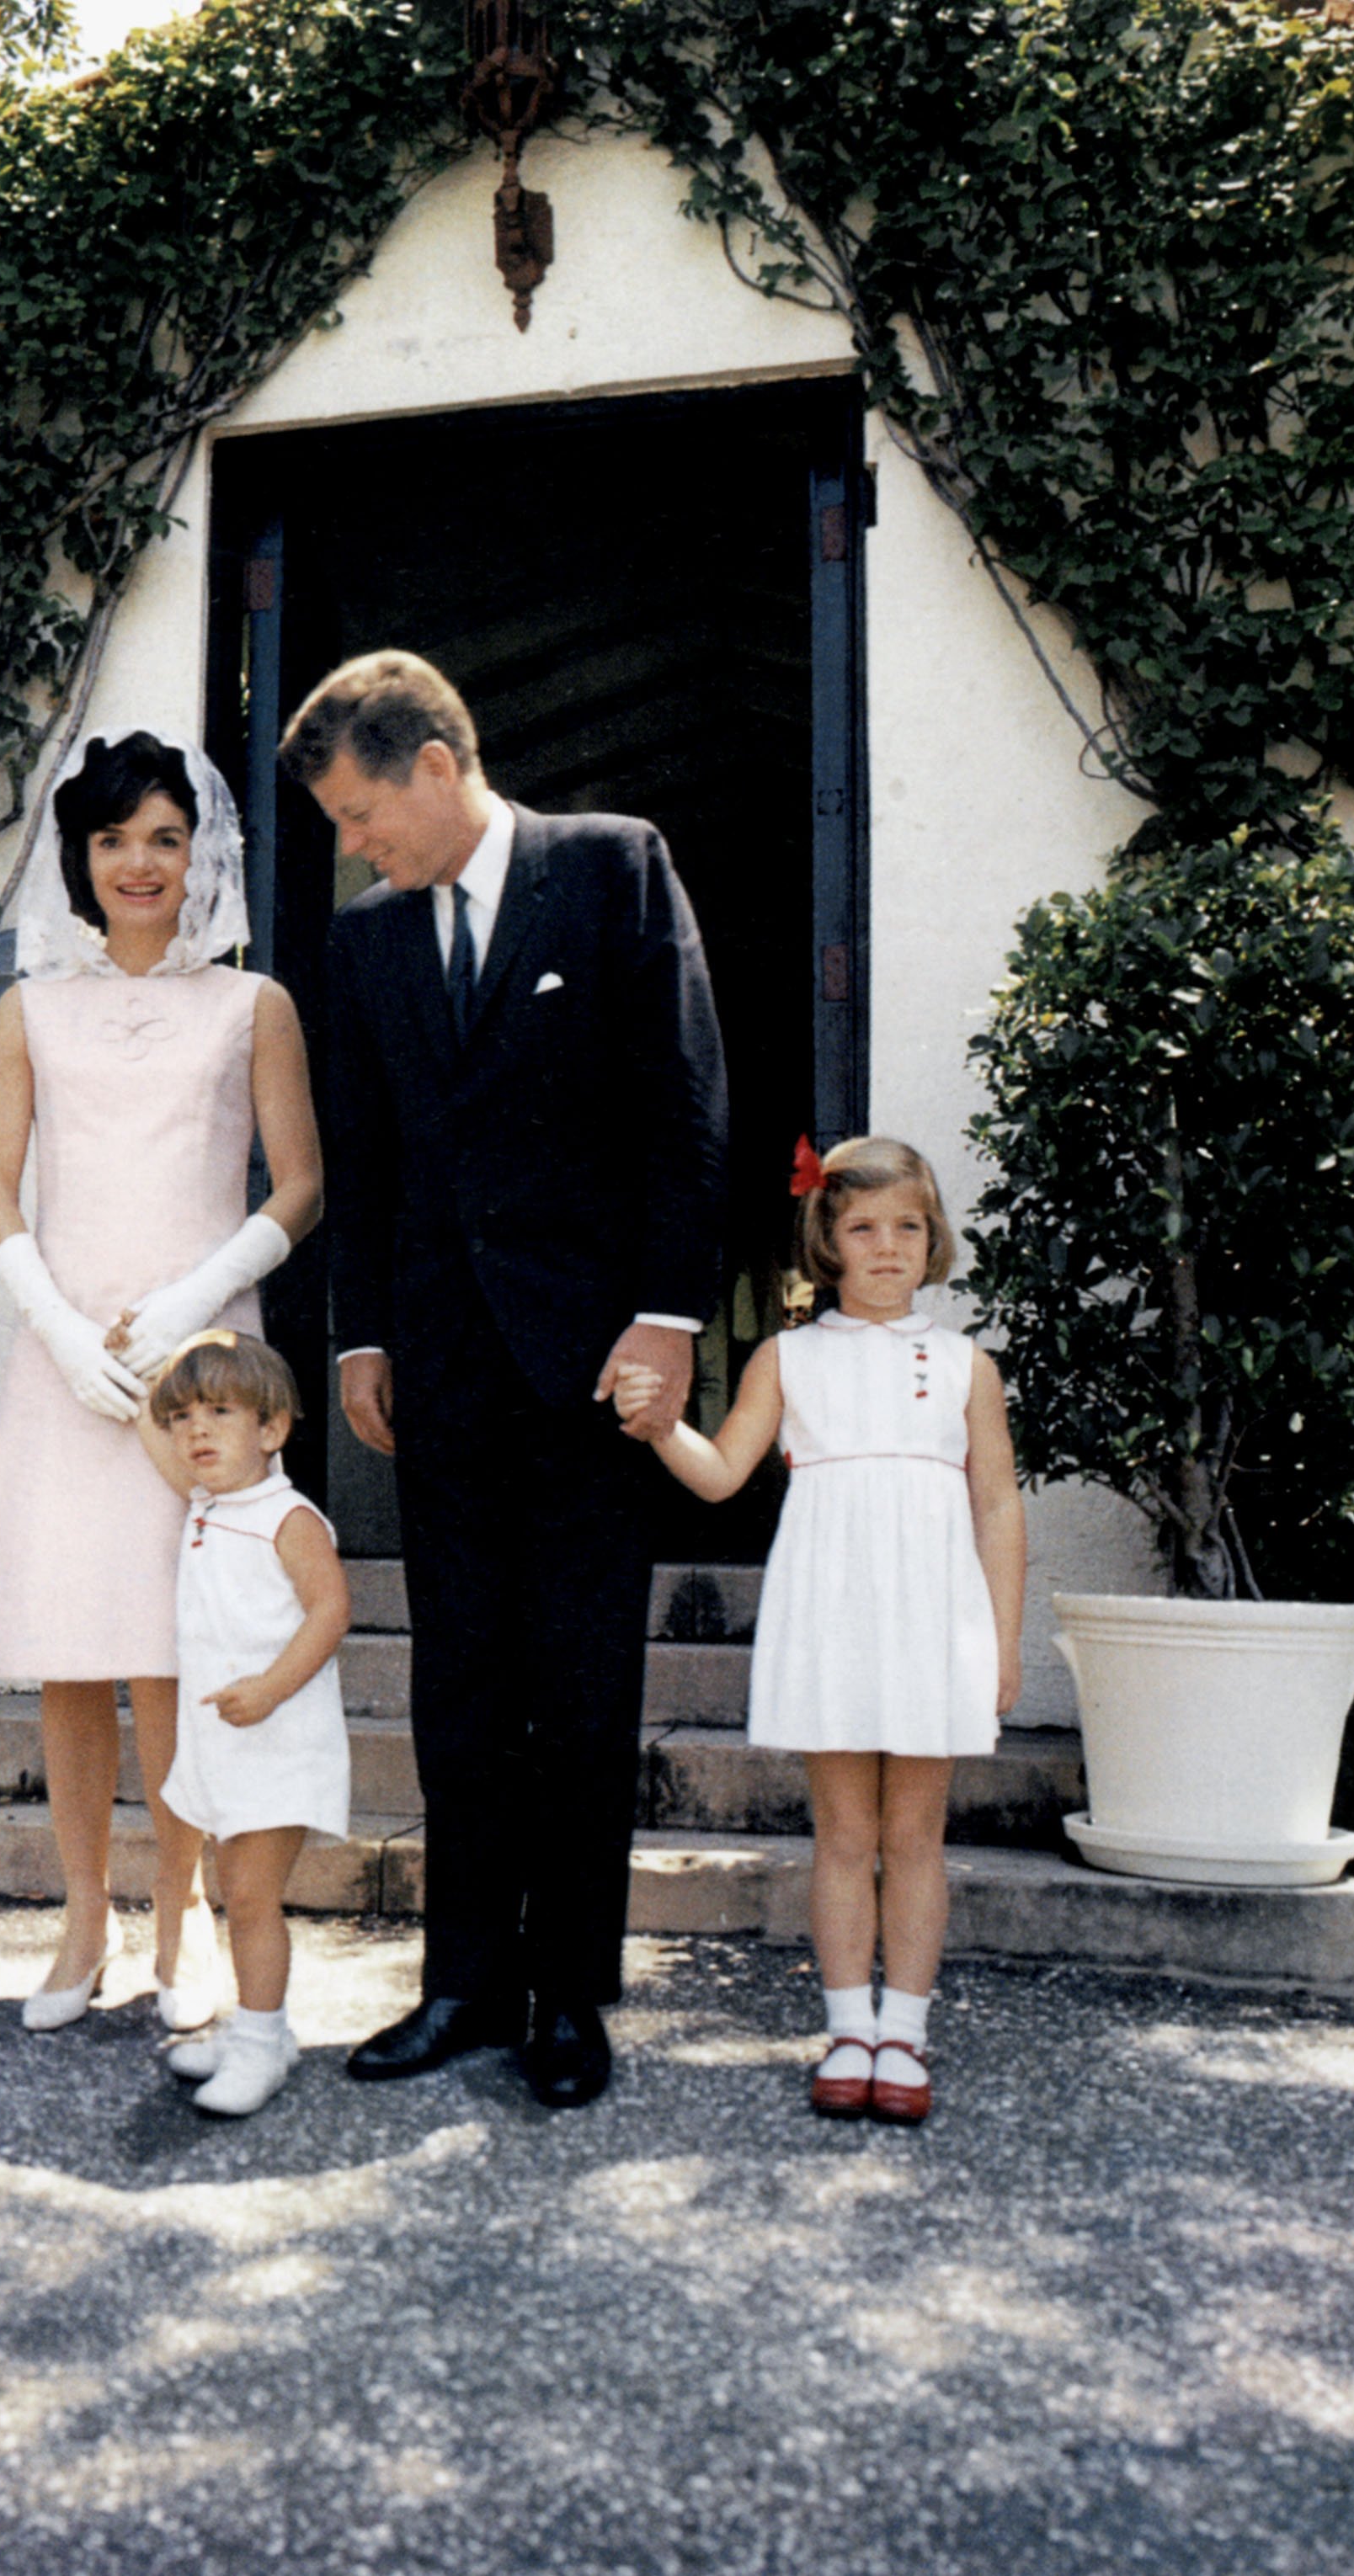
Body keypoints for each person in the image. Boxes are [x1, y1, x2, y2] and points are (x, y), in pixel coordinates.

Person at [283, 648, 728, 2110]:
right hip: (442, 1365)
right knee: (460, 1682)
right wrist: (359, 1334)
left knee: (582, 1686)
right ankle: (465, 1983)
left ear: (432, 764)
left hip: (597, 1363)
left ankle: (567, 2000)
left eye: (357, 814)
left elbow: (684, 1106)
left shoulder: (611, 869)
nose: (352, 847)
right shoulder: (365, 943)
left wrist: (670, 1318)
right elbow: (371, 1150)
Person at [0, 726, 323, 2034]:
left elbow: (300, 1183)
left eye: (164, 837)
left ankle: (183, 1926)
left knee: (179, 1643)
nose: (139, 862)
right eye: (114, 839)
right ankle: (79, 1920)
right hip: (72, 1359)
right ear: (82, 856)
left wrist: (188, 1302)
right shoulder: (30, 1009)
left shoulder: (250, 1005)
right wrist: (58, 1326)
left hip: (201, 1363)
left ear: (201, 852)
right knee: (74, 1648)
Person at [615, 1136, 1026, 2126]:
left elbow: (1000, 1507)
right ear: (828, 1242)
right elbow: (720, 1474)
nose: (888, 1247)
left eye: (908, 1228)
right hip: (834, 1610)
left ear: (934, 1241)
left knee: (915, 1835)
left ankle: (907, 2034)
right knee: (844, 1834)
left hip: (933, 1614)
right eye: (864, 1228)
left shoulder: (967, 1365)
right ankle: (848, 2027)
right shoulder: (787, 1357)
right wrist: (660, 1423)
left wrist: (1002, 1641)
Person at [129, 1329, 351, 2116]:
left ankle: (260, 2047)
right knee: (234, 1889)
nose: (196, 1430)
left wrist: (270, 1688)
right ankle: (260, 2027)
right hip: (224, 1744)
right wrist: (170, 1353)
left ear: (273, 1429)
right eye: (185, 1415)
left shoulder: (287, 1517)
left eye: (220, 1412)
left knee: (253, 1896)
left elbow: (331, 1612)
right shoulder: (208, 1505)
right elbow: (150, 1419)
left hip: (278, 1736)